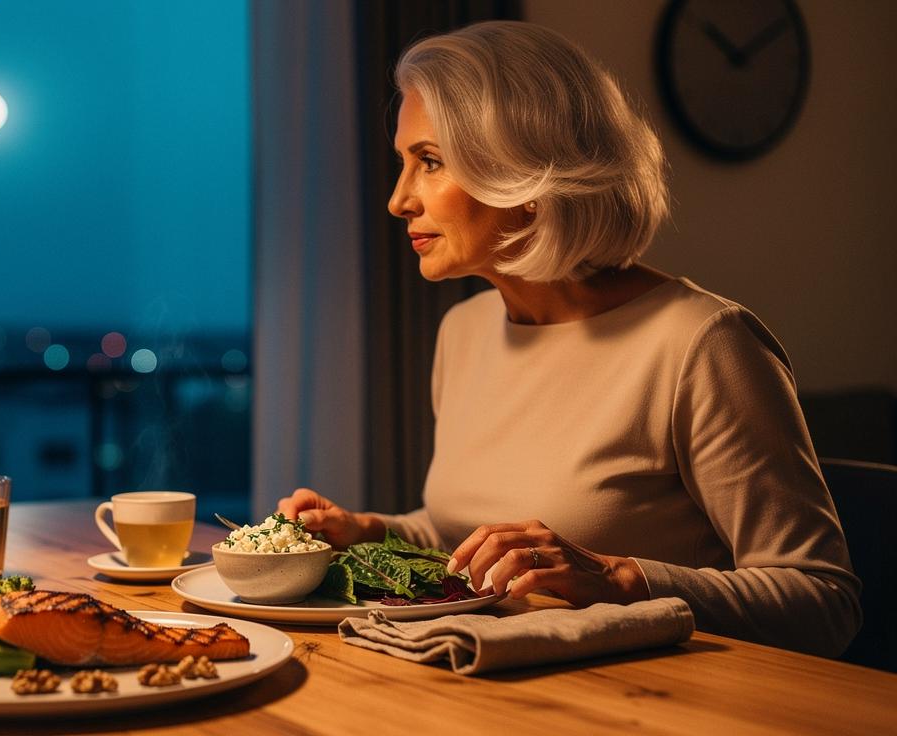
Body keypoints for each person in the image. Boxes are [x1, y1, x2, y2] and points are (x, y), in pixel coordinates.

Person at [277, 21, 860, 657]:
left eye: (431, 162)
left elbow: (824, 602)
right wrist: (366, 531)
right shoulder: (464, 331)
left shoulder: (704, 344)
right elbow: (469, 541)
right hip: (488, 687)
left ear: (525, 178)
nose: (397, 200)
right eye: (403, 163)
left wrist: (618, 578)